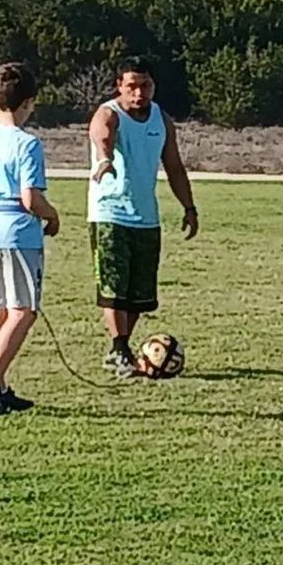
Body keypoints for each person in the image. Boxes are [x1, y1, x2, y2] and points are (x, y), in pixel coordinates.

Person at [88, 56, 198, 378]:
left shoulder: (161, 121)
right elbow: (101, 133)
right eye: (131, 86)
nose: (139, 93)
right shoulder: (109, 113)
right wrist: (106, 158)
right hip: (109, 213)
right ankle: (121, 348)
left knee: (139, 295)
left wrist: (189, 207)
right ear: (118, 86)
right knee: (113, 286)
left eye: (145, 85)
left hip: (146, 217)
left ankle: (118, 349)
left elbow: (174, 167)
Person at [0, 62, 59, 415]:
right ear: (30, 102)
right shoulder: (27, 143)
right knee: (23, 311)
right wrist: (53, 215)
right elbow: (30, 197)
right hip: (17, 231)